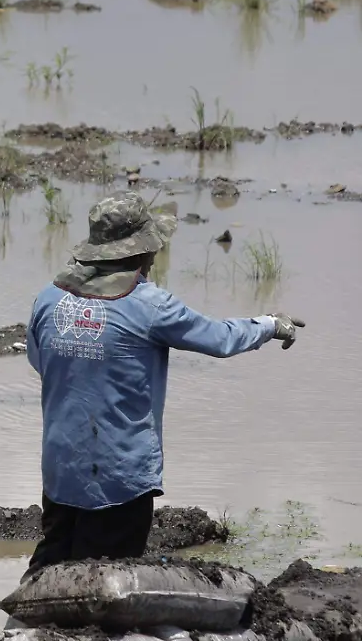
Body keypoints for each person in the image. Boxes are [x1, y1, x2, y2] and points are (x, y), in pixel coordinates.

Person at [26, 191, 306, 573]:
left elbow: (41, 363)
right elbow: (220, 338)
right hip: (119, 478)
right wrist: (270, 324)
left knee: (50, 565)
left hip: (61, 470)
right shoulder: (150, 306)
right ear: (140, 253)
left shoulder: (49, 299)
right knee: (108, 582)